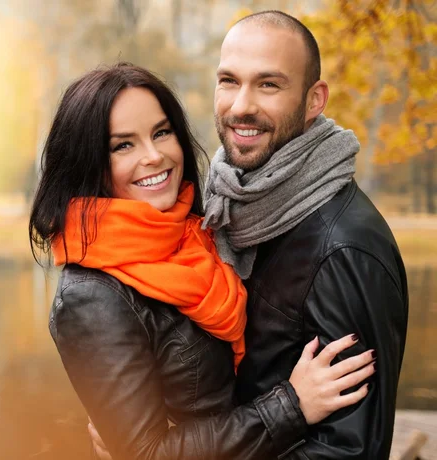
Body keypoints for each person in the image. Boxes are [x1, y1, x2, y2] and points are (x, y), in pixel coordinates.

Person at [90, 10, 409, 460]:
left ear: (314, 100)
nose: (241, 105)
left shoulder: (345, 249)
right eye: (229, 80)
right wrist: (147, 432)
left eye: (269, 84)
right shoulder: (225, 207)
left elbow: (348, 452)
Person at [29, 62, 376, 459]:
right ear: (88, 162)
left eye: (162, 133)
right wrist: (292, 405)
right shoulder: (90, 297)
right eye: (123, 145)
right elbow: (147, 454)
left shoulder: (197, 235)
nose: (154, 156)